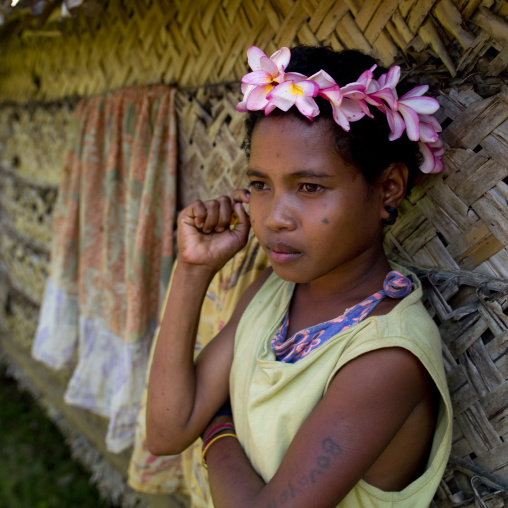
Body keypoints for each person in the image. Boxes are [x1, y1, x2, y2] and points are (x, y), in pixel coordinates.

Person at [146, 45, 452, 508]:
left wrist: (217, 427)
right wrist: (193, 271)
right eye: (260, 185)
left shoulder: (387, 357)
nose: (273, 219)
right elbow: (167, 431)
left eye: (310, 187)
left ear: (389, 187)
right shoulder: (273, 293)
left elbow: (192, 427)